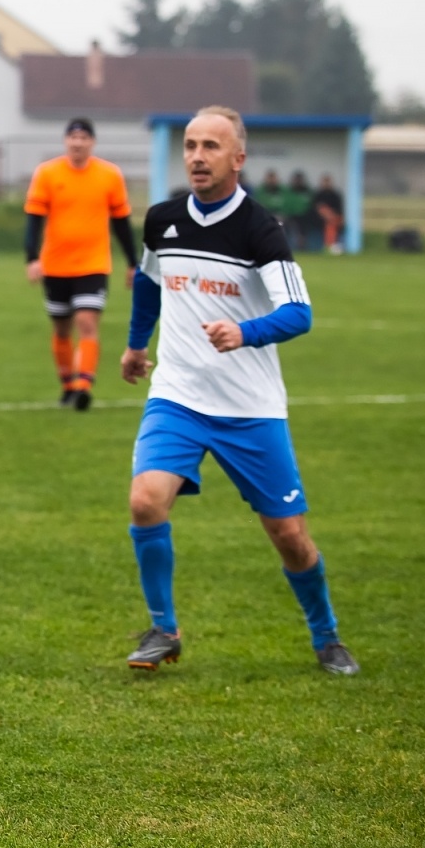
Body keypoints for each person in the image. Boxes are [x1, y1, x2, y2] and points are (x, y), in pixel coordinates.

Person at [120, 106, 358, 676]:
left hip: (249, 408)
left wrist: (244, 332)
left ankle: (326, 636)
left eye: (211, 146)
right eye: (191, 145)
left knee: (289, 535)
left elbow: (298, 312)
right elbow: (148, 283)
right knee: (145, 500)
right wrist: (135, 346)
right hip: (178, 395)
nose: (197, 157)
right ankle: (163, 629)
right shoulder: (162, 220)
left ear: (238, 158)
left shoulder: (261, 229)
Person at [23, 117, 137, 411]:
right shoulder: (47, 173)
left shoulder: (109, 175)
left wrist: (132, 262)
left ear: (92, 143)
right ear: (66, 142)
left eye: (84, 138)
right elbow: (34, 220)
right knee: (62, 329)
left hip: (93, 264)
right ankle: (67, 384)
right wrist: (32, 258)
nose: (78, 143)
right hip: (56, 266)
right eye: (73, 138)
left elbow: (121, 223)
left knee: (86, 322)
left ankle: (83, 385)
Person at [280, 170, 314, 249]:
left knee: (304, 228)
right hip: (291, 217)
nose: (298, 182)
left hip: (305, 217)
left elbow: (311, 206)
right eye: (296, 180)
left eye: (299, 180)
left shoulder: (307, 192)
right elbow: (286, 206)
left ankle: (302, 245)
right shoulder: (288, 192)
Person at [312, 173, 345, 254]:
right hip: (319, 220)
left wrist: (331, 215)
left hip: (334, 219)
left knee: (333, 224)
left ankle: (331, 246)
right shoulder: (318, 195)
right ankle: (329, 246)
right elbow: (316, 208)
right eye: (325, 182)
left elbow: (339, 210)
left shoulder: (335, 195)